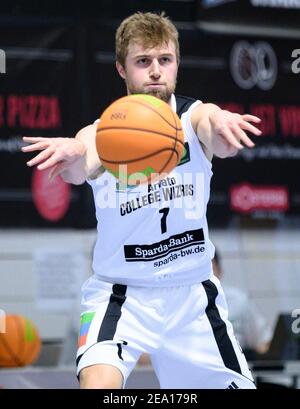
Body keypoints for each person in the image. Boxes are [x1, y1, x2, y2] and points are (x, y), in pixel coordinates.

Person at [22, 12, 262, 389]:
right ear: (121, 69)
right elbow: (81, 162)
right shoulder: (104, 132)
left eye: (164, 60)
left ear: (177, 65)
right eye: (143, 61)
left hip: (191, 297)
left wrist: (221, 126)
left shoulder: (192, 117)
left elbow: (212, 127)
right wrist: (73, 155)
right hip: (122, 294)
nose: (155, 72)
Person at [212, 249, 272, 357]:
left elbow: (263, 341)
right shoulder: (183, 306)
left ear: (220, 271)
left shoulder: (238, 300)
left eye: (209, 270)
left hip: (236, 368)